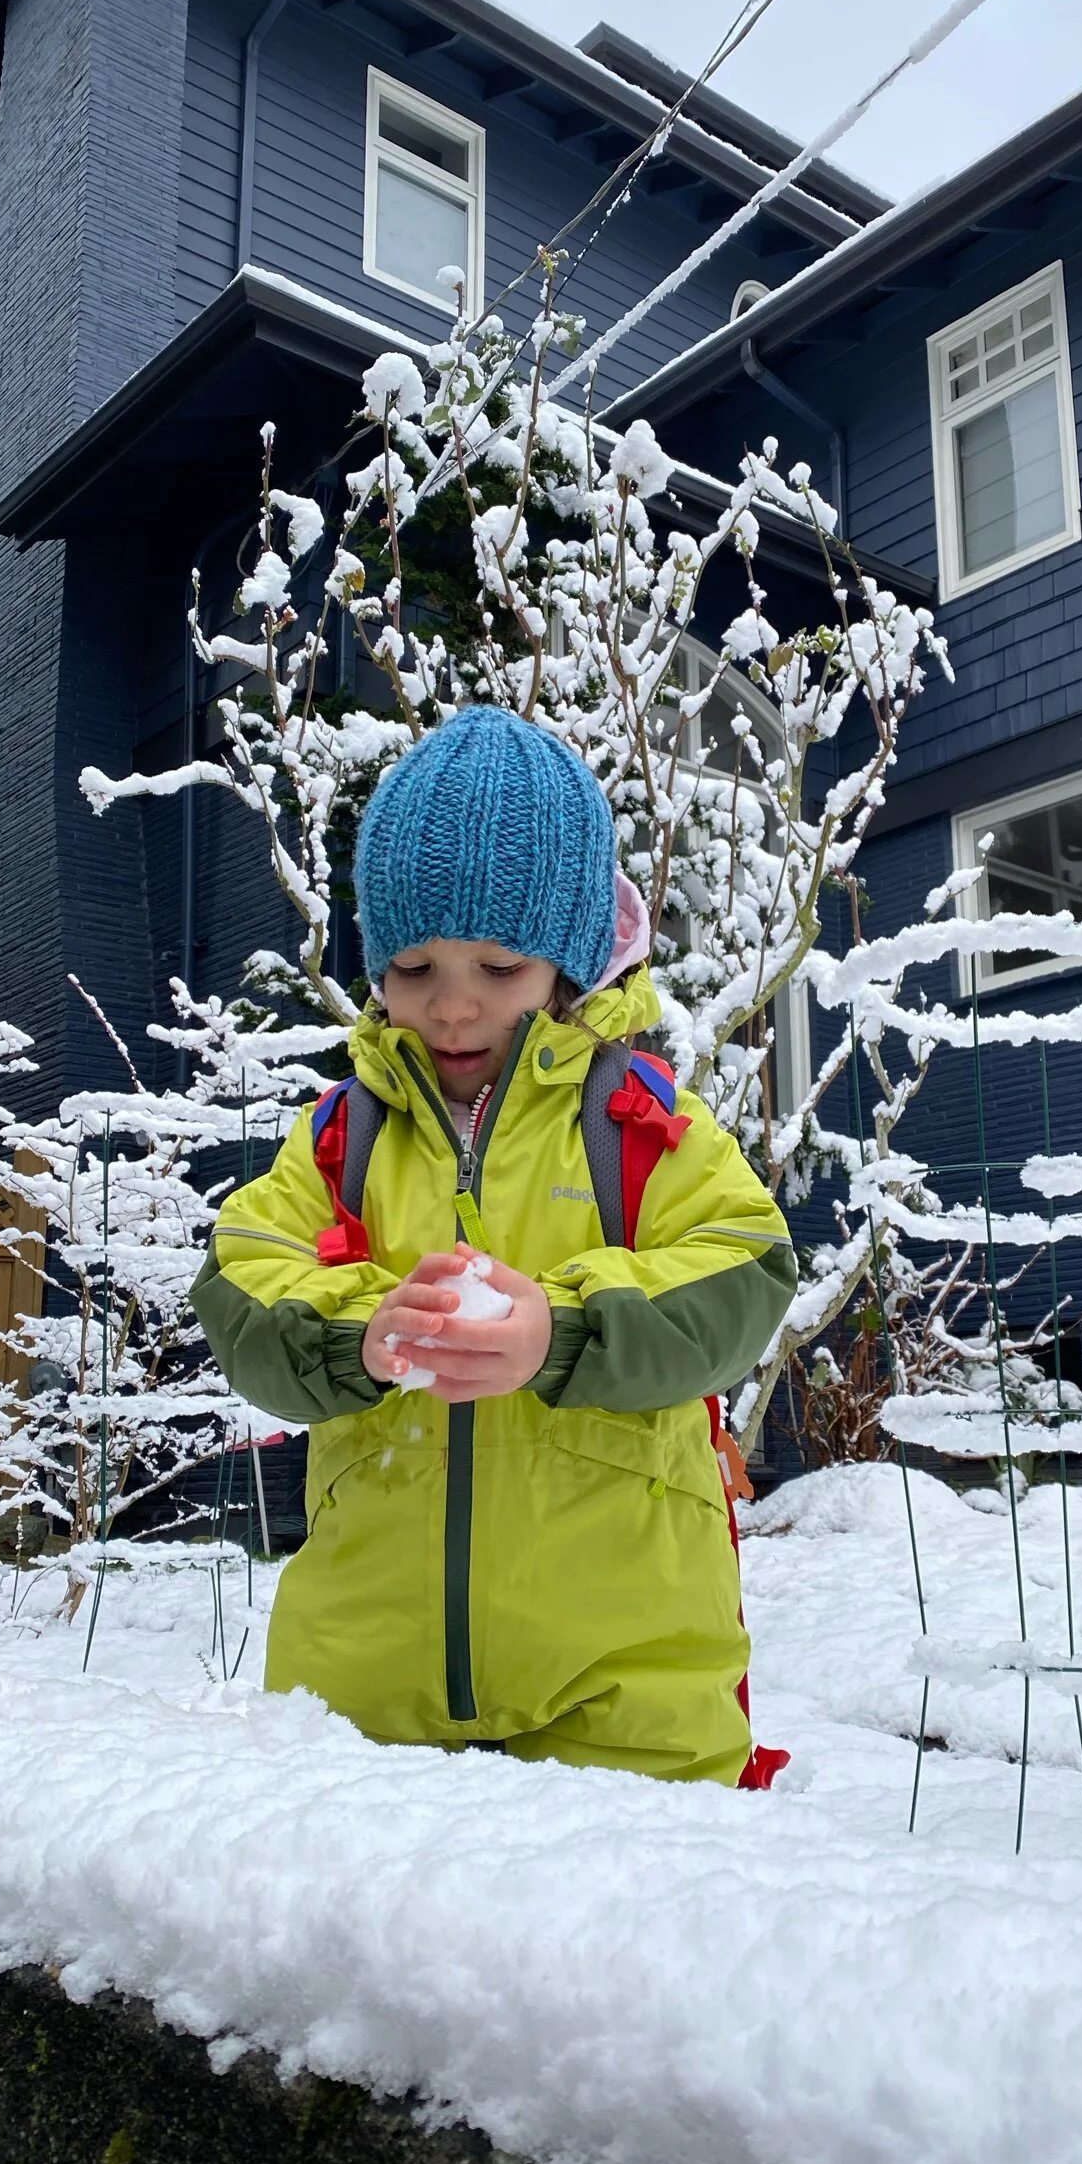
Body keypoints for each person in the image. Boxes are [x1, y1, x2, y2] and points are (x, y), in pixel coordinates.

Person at [190, 706, 797, 1782]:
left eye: (501, 966)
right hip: (363, 1690)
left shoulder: (638, 1124)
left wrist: (561, 1329)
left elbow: (743, 1266)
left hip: (629, 1687)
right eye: (414, 968)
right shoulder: (343, 1137)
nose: (455, 1004)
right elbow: (242, 1278)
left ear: (568, 964)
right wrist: (357, 1332)